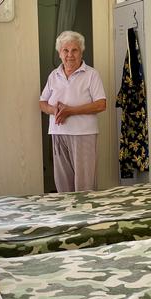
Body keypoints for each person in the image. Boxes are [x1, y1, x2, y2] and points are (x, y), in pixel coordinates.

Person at [39, 30, 106, 192]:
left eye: (74, 50)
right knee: (63, 183)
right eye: (65, 50)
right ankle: (67, 215)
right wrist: (54, 110)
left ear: (81, 51)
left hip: (83, 134)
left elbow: (101, 104)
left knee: (84, 184)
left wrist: (71, 111)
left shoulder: (91, 74)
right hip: (58, 133)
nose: (70, 55)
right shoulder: (54, 75)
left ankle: (86, 215)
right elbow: (42, 102)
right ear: (59, 53)